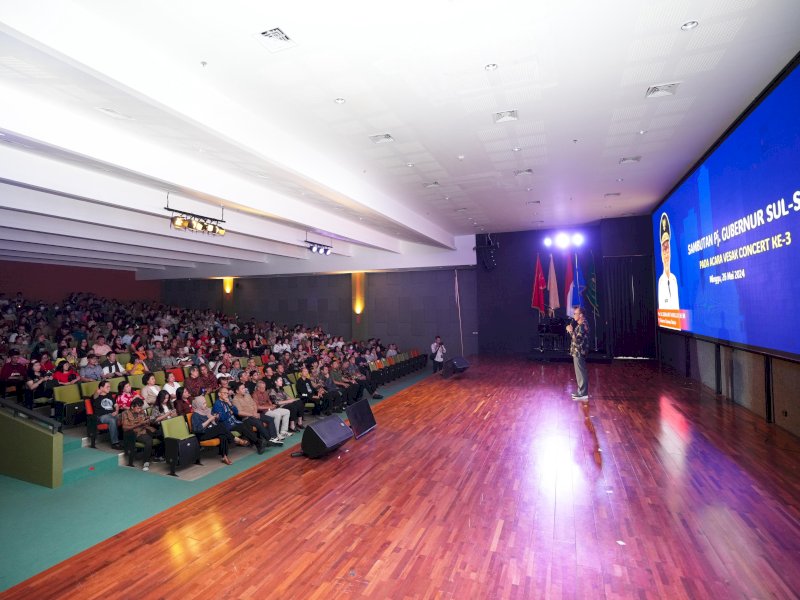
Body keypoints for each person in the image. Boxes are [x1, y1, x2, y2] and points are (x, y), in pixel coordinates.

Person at [191, 395, 235, 464]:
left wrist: (216, 417)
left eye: (205, 402)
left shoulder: (207, 410)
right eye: (203, 403)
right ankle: (234, 439)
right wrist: (209, 420)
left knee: (222, 435)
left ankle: (224, 456)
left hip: (211, 431)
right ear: (198, 405)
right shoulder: (195, 415)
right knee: (220, 427)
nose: (205, 405)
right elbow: (197, 429)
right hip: (202, 434)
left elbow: (214, 422)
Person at [120, 398, 157, 471]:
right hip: (135, 433)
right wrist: (139, 424)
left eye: (141, 408)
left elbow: (145, 421)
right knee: (148, 440)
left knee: (162, 434)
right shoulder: (125, 413)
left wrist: (148, 420)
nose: (140, 410)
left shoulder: (142, 412)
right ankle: (146, 462)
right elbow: (125, 428)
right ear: (132, 407)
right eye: (138, 408)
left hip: (146, 429)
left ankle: (158, 455)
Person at [657, 212, 680, 310]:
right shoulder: (660, 281)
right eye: (664, 249)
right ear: (661, 254)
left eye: (668, 249)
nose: (666, 253)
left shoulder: (675, 279)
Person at [566, 306, 589, 401]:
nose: (573, 315)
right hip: (577, 352)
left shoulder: (583, 325)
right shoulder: (580, 325)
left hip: (579, 352)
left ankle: (583, 393)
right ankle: (581, 391)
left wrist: (571, 331)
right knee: (579, 373)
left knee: (581, 372)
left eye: (575, 313)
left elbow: (577, 340)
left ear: (581, 315)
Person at [91, 380, 121, 449]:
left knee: (125, 415)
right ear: (101, 388)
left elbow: (116, 405)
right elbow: (95, 394)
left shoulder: (109, 395)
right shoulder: (96, 396)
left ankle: (125, 439)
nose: (109, 388)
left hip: (113, 414)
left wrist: (116, 411)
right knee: (112, 420)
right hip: (102, 416)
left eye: (109, 387)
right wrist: (98, 391)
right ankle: (115, 443)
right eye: (107, 387)